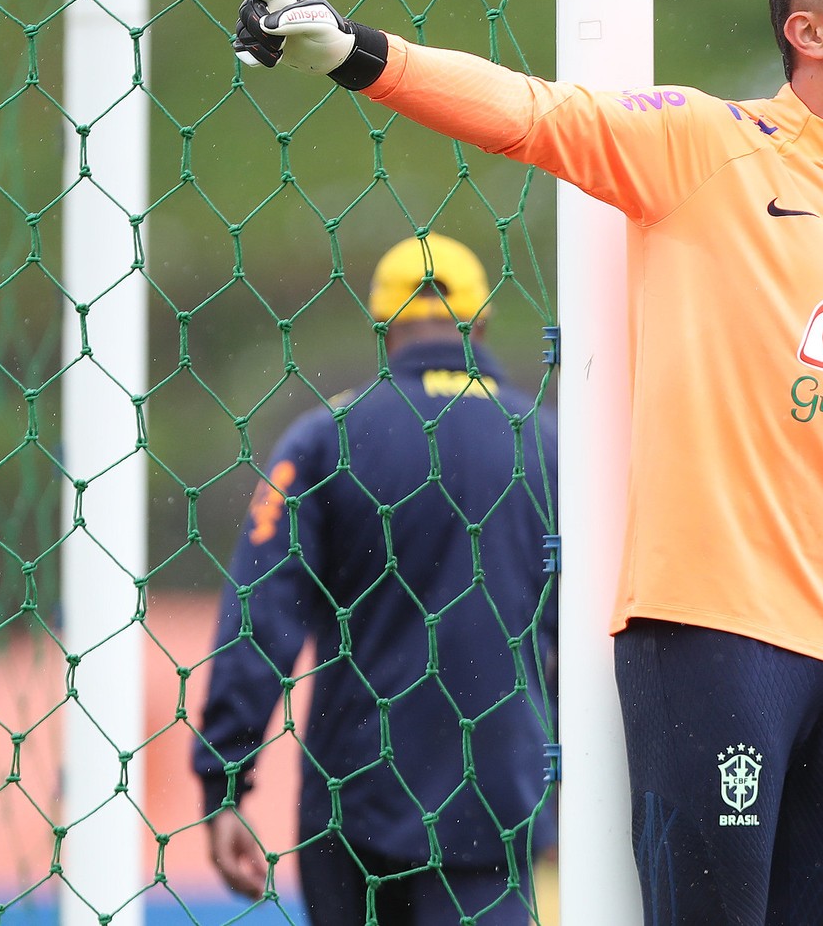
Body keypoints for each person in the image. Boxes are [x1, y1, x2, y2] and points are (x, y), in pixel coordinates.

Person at [212, 0, 823, 925]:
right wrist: (356, 53)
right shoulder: (702, 144)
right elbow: (530, 112)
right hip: (715, 636)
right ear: (809, 34)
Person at [191, 234, 558, 926]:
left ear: (383, 329)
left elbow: (261, 610)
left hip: (353, 808)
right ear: (481, 323)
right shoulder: (547, 443)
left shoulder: (327, 436)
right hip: (497, 804)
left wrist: (224, 779)